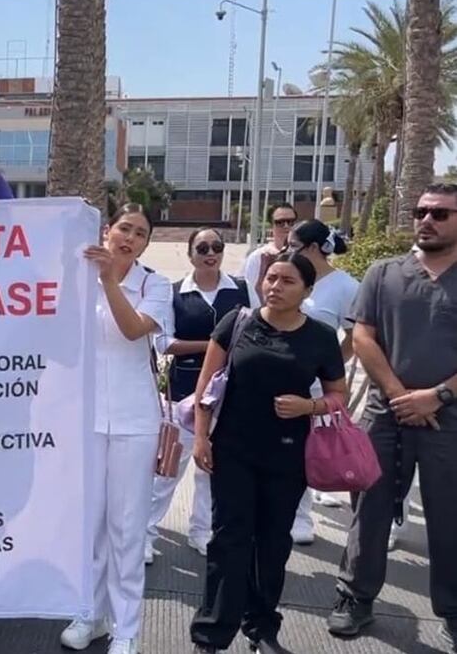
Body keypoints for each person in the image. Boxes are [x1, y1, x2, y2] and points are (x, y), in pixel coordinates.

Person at [190, 252, 348, 654]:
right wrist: (201, 438)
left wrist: (308, 406)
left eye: (287, 281)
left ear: (307, 291)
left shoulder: (320, 337)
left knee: (273, 543)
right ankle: (211, 634)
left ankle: (261, 628)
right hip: (233, 450)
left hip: (288, 456)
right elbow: (207, 387)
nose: (275, 287)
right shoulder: (237, 322)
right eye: (271, 278)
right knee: (229, 540)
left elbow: (338, 396)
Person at [327, 183, 457, 650]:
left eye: (440, 214)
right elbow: (363, 337)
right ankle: (355, 598)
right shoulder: (383, 273)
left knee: (450, 516)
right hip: (386, 415)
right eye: (421, 211)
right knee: (370, 507)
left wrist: (437, 396)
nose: (427, 220)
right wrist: (402, 395)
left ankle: (453, 611)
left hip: (450, 420)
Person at [61, 204, 172, 654]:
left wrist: (109, 281)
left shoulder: (155, 285)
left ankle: (125, 628)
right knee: (89, 524)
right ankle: (90, 613)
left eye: (140, 233)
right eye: (125, 228)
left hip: (134, 420)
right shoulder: (75, 277)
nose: (130, 238)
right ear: (107, 230)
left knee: (126, 528)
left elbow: (131, 330)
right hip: (84, 418)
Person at [146, 227, 255, 563]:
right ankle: (144, 533)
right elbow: (164, 342)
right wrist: (215, 346)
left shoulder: (241, 289)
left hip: (231, 393)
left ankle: (201, 532)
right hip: (184, 392)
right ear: (190, 253)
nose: (211, 254)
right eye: (203, 247)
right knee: (168, 469)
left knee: (211, 469)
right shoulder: (175, 293)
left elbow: (257, 329)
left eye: (217, 247)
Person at [283, 219, 359, 544]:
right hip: (275, 377)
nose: (287, 251)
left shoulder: (346, 287)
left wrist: (328, 369)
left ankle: (301, 517)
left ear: (313, 248)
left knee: (304, 450)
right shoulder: (289, 273)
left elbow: (355, 337)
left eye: (293, 245)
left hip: (312, 388)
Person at [241, 203, 298, 303]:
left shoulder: (303, 254)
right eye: (280, 222)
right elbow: (247, 290)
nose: (286, 226)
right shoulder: (258, 256)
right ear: (272, 226)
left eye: (291, 222)